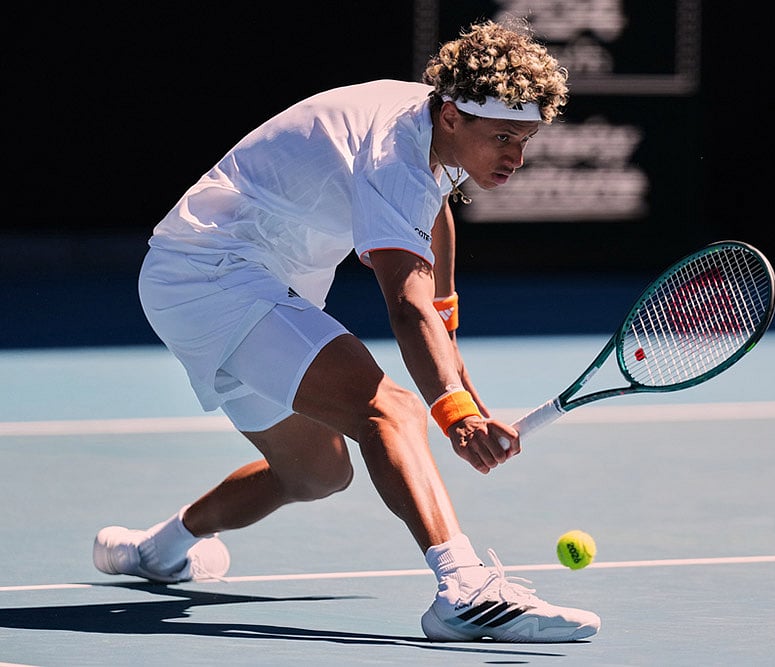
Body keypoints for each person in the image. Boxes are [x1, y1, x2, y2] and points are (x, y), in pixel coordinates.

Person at [91, 20, 600, 643]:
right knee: (391, 410)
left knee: (317, 473)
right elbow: (404, 306)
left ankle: (157, 549)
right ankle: (463, 588)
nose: (515, 159)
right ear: (451, 117)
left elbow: (436, 210)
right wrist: (454, 411)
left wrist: (451, 335)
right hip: (212, 274)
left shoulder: (432, 129)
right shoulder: (395, 155)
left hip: (248, 282)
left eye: (524, 141)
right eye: (501, 138)